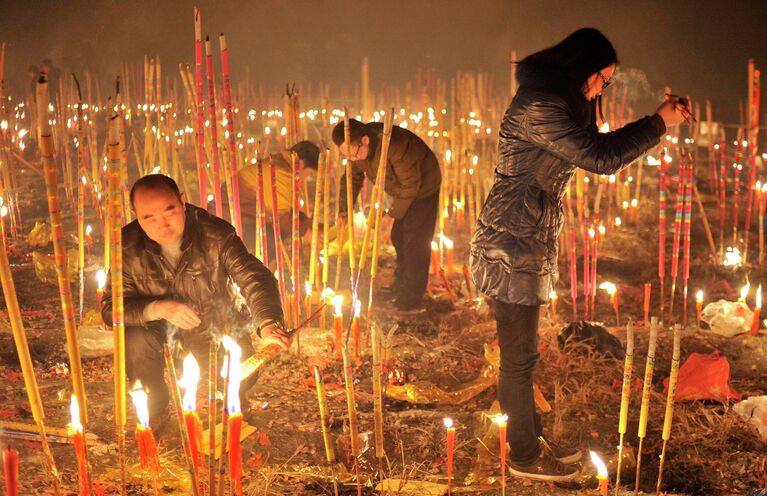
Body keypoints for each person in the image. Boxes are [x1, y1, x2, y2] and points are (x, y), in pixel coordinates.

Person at [469, 28, 688, 482]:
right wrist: (658, 124)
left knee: (524, 355)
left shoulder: (554, 102)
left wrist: (654, 120)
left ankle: (531, 438)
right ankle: (524, 457)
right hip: (509, 244)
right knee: (517, 358)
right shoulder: (540, 107)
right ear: (579, 68)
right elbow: (600, 157)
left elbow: (594, 147)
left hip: (525, 239)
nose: (600, 90)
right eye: (600, 80)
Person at [101, 174, 291, 429]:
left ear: (182, 202)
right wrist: (158, 308)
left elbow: (253, 277)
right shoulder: (125, 247)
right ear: (135, 214)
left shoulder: (215, 234)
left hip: (214, 326)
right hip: (159, 332)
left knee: (240, 374)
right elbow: (111, 307)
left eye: (169, 211)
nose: (162, 225)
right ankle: (154, 410)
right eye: (149, 217)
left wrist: (268, 322)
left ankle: (233, 404)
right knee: (134, 339)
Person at [332, 119, 442, 311]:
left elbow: (410, 185)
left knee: (415, 239)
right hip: (400, 188)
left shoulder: (395, 147)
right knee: (398, 236)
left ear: (365, 140)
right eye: (347, 156)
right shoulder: (357, 153)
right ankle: (402, 284)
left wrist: (387, 212)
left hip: (423, 187)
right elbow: (351, 179)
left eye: (354, 153)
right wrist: (344, 209)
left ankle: (412, 298)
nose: (353, 159)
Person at [237, 140, 320, 252]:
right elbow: (283, 219)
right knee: (272, 238)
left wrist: (305, 221)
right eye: (309, 173)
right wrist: (307, 233)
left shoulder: (282, 163)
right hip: (236, 220)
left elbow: (286, 209)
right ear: (301, 164)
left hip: (247, 214)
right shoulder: (282, 173)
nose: (306, 178)